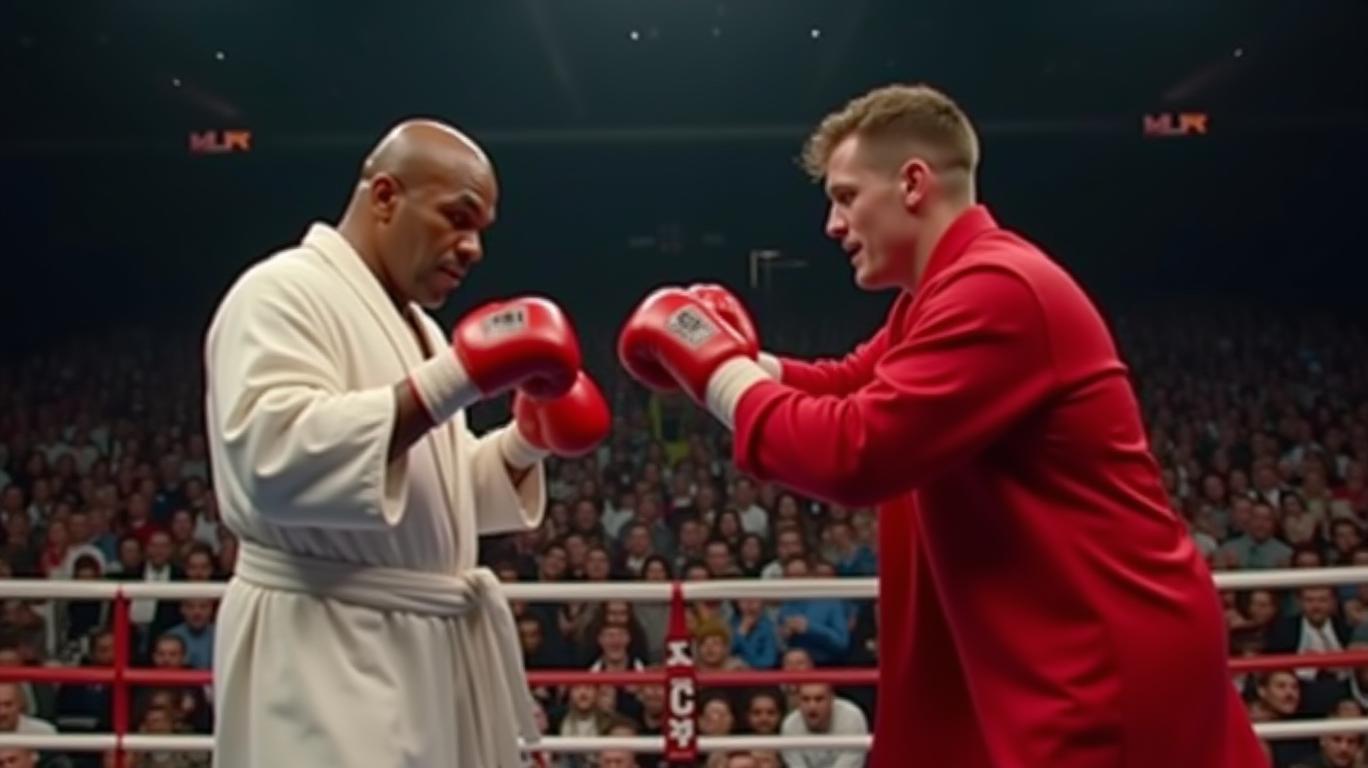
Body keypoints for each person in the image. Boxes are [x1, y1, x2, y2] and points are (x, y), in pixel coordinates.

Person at [617, 84, 1266, 766]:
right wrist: (731, 360)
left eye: (845, 196)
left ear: (913, 183)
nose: (832, 225)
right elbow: (846, 383)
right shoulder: (938, 296)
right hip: (1047, 642)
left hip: (1098, 652)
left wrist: (715, 366)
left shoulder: (998, 287)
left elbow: (853, 451)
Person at [205, 119, 610, 768]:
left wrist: (522, 445)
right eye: (457, 217)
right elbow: (269, 458)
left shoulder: (418, 324)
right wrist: (456, 377)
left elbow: (428, 494)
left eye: (481, 230)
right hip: (327, 647)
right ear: (386, 197)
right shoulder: (278, 291)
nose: (473, 248)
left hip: (416, 648)